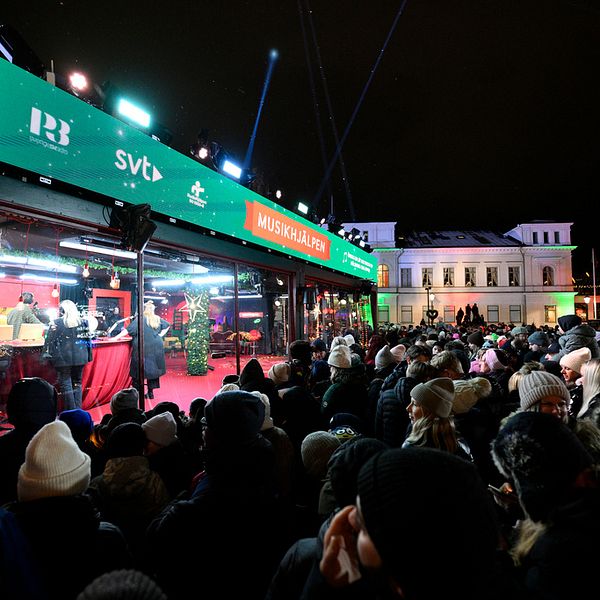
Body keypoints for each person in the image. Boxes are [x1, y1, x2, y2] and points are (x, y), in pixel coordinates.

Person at [43, 299, 93, 411]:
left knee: (66, 383)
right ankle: (78, 410)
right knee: (77, 383)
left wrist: (46, 355)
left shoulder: (56, 322)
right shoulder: (84, 322)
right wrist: (89, 356)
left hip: (62, 358)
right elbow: (88, 340)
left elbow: (50, 341)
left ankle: (71, 411)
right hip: (81, 357)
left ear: (62, 310)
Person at [113, 301, 170, 399]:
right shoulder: (157, 319)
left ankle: (138, 393)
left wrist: (115, 338)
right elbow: (167, 325)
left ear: (144, 310)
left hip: (143, 347)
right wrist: (160, 335)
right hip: (156, 346)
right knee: (153, 370)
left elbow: (127, 331)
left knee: (138, 369)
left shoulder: (140, 319)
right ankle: (150, 393)